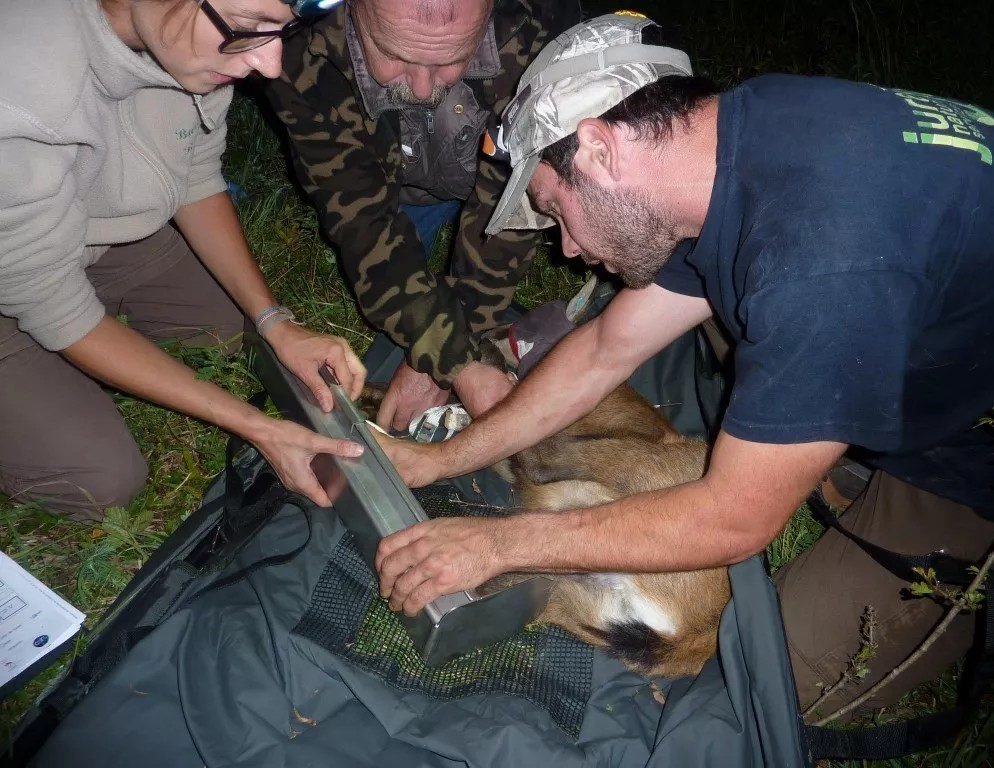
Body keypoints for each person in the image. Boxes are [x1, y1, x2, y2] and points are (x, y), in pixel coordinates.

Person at [372, 12, 994, 713]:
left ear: (602, 151)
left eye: (557, 210)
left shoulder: (820, 261)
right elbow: (606, 349)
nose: (567, 250)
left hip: (963, 461)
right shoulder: (733, 142)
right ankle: (824, 432)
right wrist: (440, 461)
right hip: (905, 333)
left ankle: (852, 463)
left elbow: (733, 521)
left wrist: (499, 547)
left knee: (744, 696)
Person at [0, 0, 369, 521]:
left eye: (283, 29)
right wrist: (257, 428)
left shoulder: (190, 44)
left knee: (235, 330)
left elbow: (195, 174)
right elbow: (59, 309)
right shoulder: (17, 101)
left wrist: (276, 322)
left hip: (88, 233)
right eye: (246, 29)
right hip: (17, 277)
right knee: (103, 479)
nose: (270, 64)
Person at [264, 0, 581, 432]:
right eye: (394, 55)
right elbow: (362, 221)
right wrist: (453, 359)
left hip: (482, 166)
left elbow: (508, 212)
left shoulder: (540, 24)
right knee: (397, 281)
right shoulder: (299, 42)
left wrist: (448, 355)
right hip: (395, 180)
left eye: (451, 59)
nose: (419, 87)